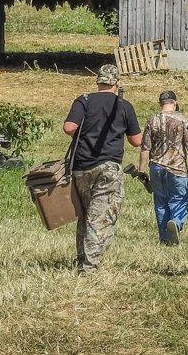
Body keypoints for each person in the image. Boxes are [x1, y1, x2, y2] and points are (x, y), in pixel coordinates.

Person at [63, 64, 142, 273]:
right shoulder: (124, 106)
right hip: (109, 168)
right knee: (100, 218)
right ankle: (89, 267)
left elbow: (68, 128)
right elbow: (136, 141)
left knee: (85, 214)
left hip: (81, 167)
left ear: (98, 81)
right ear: (116, 83)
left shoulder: (84, 100)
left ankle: (82, 257)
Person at [137, 90, 188, 246]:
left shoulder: (152, 120)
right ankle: (176, 222)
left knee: (161, 203)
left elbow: (145, 148)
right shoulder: (183, 120)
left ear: (161, 104)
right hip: (177, 169)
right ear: (174, 103)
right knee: (180, 200)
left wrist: (141, 170)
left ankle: (165, 239)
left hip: (156, 168)